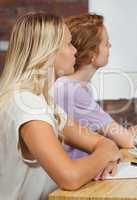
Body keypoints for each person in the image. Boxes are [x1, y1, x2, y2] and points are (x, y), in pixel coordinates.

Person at [0, 13, 122, 200]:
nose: (75, 51)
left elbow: (103, 142)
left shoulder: (43, 101)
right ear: (48, 52)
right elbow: (70, 177)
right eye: (69, 44)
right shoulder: (26, 103)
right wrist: (104, 157)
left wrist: (105, 156)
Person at [53, 13, 137, 160]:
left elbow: (105, 133)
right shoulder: (70, 90)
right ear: (92, 53)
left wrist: (129, 131)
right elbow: (127, 141)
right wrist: (134, 135)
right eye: (106, 43)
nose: (110, 46)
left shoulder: (75, 86)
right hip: (79, 175)